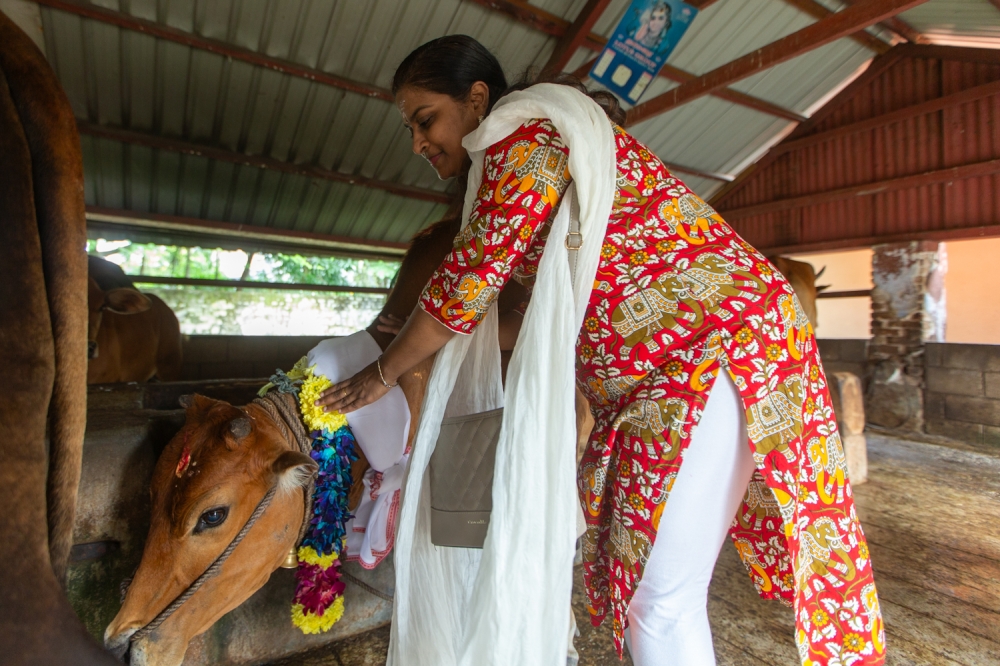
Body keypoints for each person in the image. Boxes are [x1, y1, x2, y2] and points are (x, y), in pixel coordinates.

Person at [318, 35, 885, 666]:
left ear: (476, 99)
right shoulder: (512, 156)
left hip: (709, 355)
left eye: (426, 121)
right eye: (410, 129)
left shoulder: (527, 138)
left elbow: (469, 282)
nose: (418, 143)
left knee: (661, 598)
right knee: (649, 589)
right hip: (656, 382)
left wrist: (382, 372)